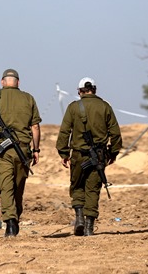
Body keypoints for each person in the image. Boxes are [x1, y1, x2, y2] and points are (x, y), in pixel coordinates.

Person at [55, 77, 122, 236]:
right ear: (95, 89)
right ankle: (89, 227)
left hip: (78, 155)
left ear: (79, 91)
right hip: (99, 156)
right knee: (93, 189)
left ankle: (79, 218)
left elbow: (64, 132)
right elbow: (116, 134)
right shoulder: (105, 107)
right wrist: (113, 153)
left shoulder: (73, 108)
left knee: (77, 185)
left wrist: (64, 153)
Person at [0, 68, 42, 237]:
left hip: (3, 152)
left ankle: (11, 223)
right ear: (18, 83)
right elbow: (35, 127)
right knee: (18, 188)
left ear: (2, 82)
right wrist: (36, 149)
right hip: (23, 150)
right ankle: (15, 217)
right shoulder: (28, 98)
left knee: (5, 188)